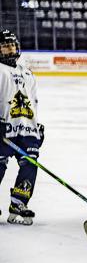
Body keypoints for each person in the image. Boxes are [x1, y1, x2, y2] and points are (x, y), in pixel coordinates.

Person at [0, 29, 43, 225]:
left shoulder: (27, 73)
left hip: (26, 129)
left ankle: (19, 202)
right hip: (4, 128)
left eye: (11, 45)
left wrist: (37, 126)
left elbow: (33, 102)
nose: (9, 48)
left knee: (30, 164)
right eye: (4, 45)